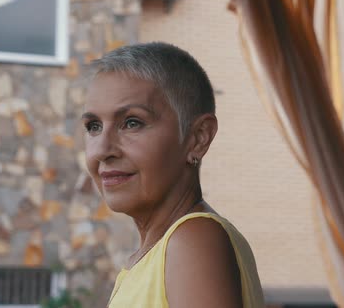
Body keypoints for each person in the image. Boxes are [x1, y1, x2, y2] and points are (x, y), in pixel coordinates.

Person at [82, 42, 264, 307]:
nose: (101, 150)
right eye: (93, 126)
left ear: (198, 138)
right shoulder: (156, 255)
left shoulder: (192, 240)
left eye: (132, 122)